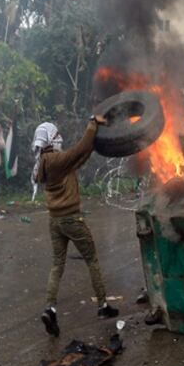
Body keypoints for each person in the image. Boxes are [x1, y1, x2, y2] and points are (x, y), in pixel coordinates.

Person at [32, 117, 118, 337]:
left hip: (55, 221)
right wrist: (93, 124)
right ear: (51, 139)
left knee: (57, 265)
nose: (60, 137)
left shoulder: (44, 162)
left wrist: (93, 144)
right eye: (57, 134)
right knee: (92, 260)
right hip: (71, 219)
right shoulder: (56, 159)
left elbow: (78, 157)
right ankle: (103, 305)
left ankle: (50, 308)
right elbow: (78, 150)